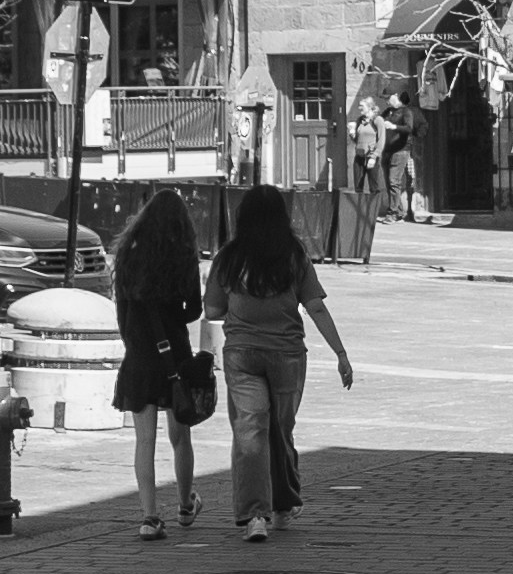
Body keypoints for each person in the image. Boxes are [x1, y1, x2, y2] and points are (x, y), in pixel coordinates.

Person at [211, 181, 355, 541]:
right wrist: (340, 353)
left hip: (242, 353)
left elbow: (212, 308)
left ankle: (253, 516)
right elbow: (315, 305)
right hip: (288, 354)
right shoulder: (294, 254)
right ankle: (283, 504)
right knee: (280, 428)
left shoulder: (228, 257)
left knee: (250, 430)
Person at [109, 188, 206, 538]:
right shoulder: (182, 255)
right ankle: (184, 505)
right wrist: (173, 310)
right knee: (180, 435)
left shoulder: (128, 254)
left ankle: (149, 517)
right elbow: (194, 310)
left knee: (143, 441)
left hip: (138, 356)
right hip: (175, 355)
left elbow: (121, 309)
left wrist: (133, 342)